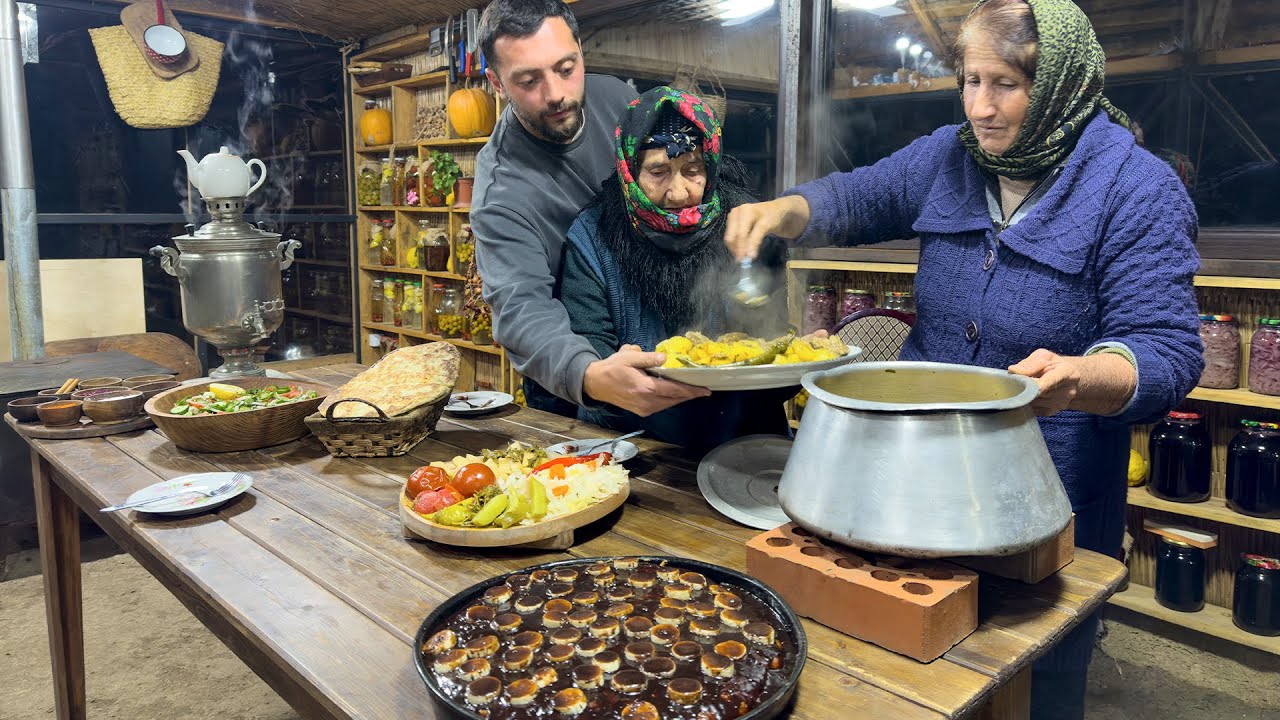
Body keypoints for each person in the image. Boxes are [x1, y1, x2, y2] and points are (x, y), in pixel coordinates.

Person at [723, 1, 1202, 718]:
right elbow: (857, 196)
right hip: (913, 478)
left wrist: (1081, 376)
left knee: (1034, 676)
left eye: (1005, 84)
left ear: (1059, 85)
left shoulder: (1134, 188)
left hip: (1048, 491)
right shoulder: (949, 156)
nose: (980, 107)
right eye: (971, 81)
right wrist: (783, 211)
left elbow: (1167, 350)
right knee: (909, 675)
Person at [474, 0, 710, 418]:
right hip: (579, 374)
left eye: (566, 68)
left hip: (657, 328)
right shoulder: (501, 192)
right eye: (529, 80)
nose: (555, 94)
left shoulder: (618, 99)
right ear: (497, 82)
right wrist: (587, 374)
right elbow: (521, 308)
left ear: (581, 51)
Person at [559, 86, 792, 449]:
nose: (679, 193)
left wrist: (794, 359)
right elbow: (588, 356)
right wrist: (609, 379)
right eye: (658, 171)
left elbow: (776, 361)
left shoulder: (746, 227)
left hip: (742, 442)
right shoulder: (593, 237)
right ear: (629, 170)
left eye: (693, 170)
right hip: (631, 445)